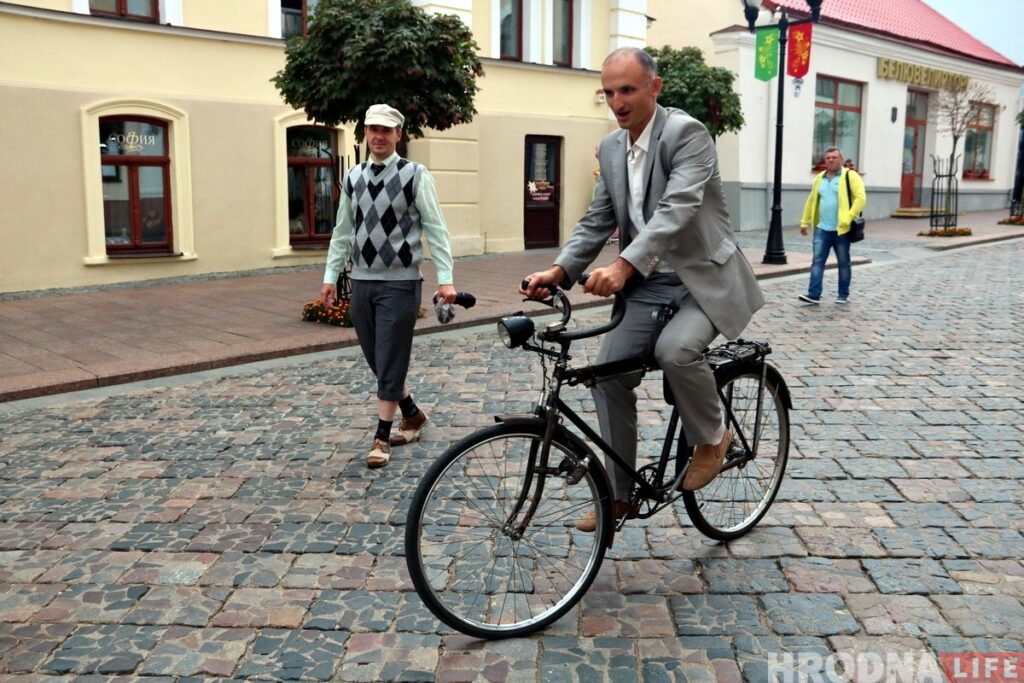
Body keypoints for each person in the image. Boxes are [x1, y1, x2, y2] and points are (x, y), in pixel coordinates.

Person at [522, 48, 764, 532]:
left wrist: (623, 266)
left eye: (627, 89)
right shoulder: (612, 148)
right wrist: (560, 269)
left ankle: (714, 438)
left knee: (676, 351)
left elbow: (675, 211)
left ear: (655, 86)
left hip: (704, 282)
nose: (617, 101)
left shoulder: (688, 134)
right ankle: (618, 495)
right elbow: (598, 219)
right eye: (609, 92)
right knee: (607, 375)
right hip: (650, 287)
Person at [320, 104, 456, 468]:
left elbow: (436, 229)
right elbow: (342, 231)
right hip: (362, 281)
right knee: (379, 360)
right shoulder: (353, 177)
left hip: (400, 283)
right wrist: (330, 276)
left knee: (391, 356)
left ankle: (381, 437)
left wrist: (446, 278)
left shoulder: (415, 175)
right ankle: (412, 415)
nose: (378, 137)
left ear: (398, 135)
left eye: (386, 130)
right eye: (372, 130)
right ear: (365, 134)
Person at [798, 147, 866, 305]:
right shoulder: (819, 178)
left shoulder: (850, 176)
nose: (830, 160)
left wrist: (848, 218)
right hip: (822, 228)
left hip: (841, 229)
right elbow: (811, 200)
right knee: (817, 261)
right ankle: (814, 294)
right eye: (828, 157)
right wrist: (804, 221)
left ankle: (843, 294)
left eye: (834, 157)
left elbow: (860, 198)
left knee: (843, 262)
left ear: (841, 159)